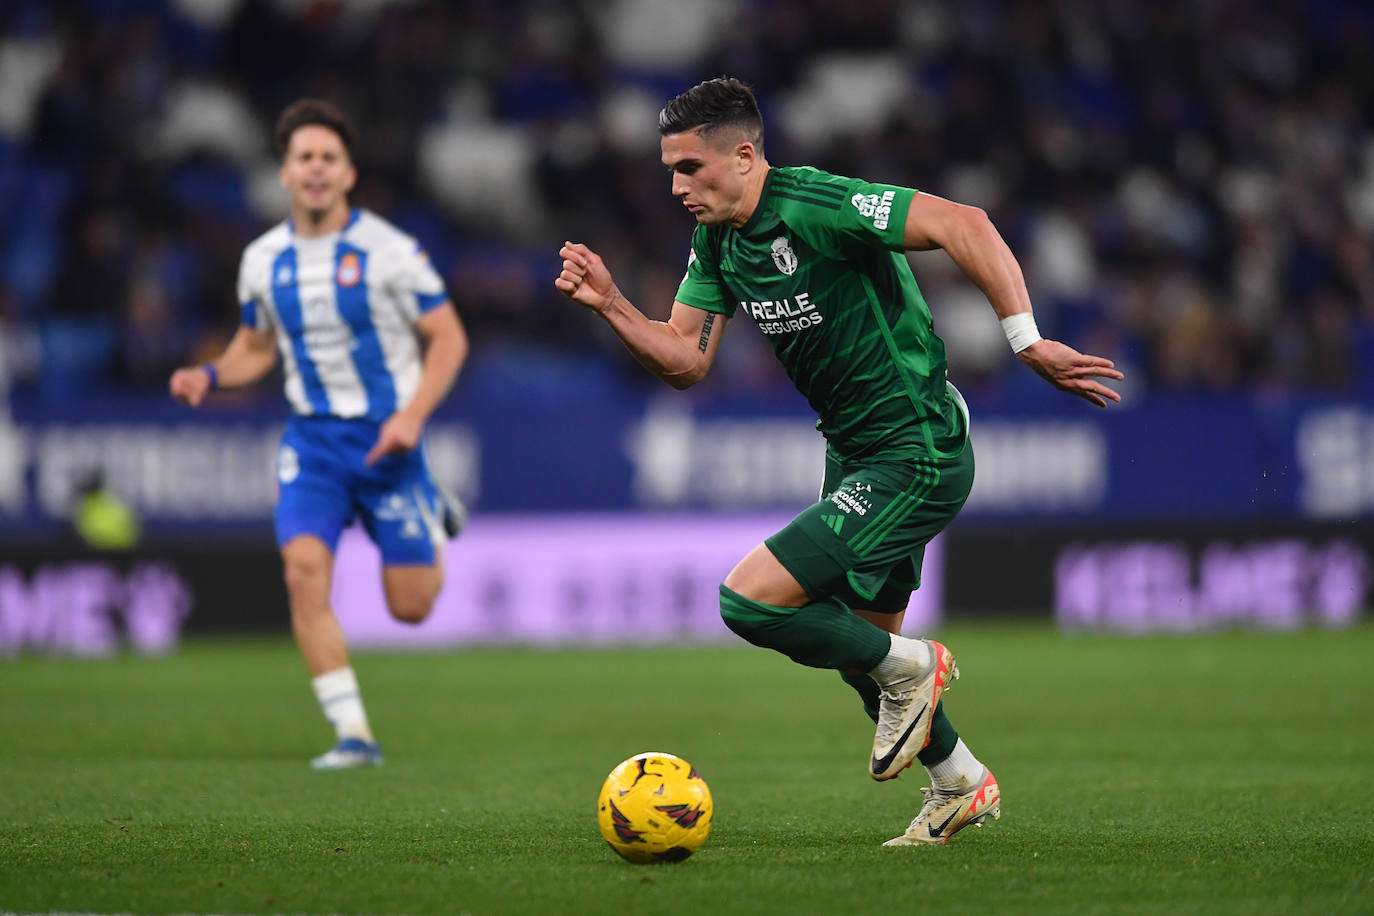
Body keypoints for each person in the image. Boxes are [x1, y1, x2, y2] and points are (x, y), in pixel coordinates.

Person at [554, 78, 1123, 846]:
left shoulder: (818, 204)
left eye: (690, 167)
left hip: (915, 447)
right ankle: (958, 781)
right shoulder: (719, 240)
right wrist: (614, 304)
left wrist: (1027, 341)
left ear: (746, 156)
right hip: (856, 455)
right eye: (671, 169)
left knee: (749, 603)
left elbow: (965, 223)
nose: (677, 186)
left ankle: (917, 666)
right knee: (864, 651)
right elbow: (688, 360)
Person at [170, 99, 469, 769]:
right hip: (313, 447)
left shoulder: (389, 251)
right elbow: (255, 347)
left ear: (348, 173)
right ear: (284, 172)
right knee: (305, 575)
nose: (315, 169)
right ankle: (354, 735)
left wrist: (412, 418)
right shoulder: (262, 260)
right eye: (304, 157)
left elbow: (448, 336)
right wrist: (211, 374)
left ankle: (430, 501)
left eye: (328, 158)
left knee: (412, 608)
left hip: (390, 445)